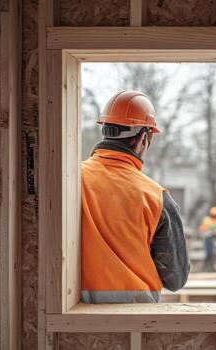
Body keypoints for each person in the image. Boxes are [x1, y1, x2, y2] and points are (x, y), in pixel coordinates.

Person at [81, 90, 190, 303]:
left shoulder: (68, 179)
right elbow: (176, 279)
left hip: (73, 312)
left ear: (105, 131)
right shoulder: (156, 197)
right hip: (136, 321)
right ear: (143, 137)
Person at [198, 207, 216, 272]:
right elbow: (202, 229)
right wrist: (205, 232)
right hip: (207, 238)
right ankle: (206, 266)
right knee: (208, 253)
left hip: (214, 238)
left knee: (213, 253)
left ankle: (212, 266)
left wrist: (215, 233)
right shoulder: (207, 220)